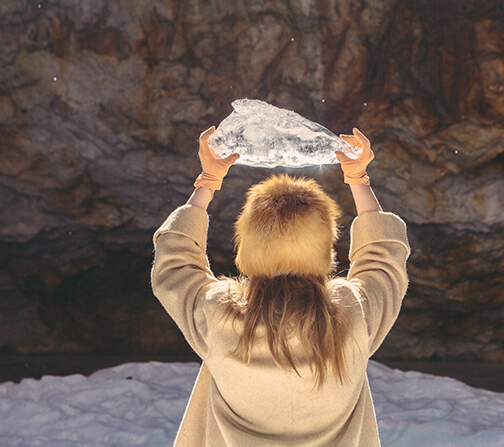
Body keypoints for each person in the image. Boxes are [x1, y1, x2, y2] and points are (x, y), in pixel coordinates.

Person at [151, 126, 410, 446]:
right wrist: (359, 180)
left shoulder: (220, 314)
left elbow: (174, 262)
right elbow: (382, 259)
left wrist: (206, 182)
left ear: (247, 248)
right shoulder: (352, 315)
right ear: (325, 251)